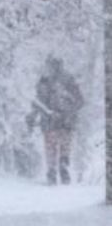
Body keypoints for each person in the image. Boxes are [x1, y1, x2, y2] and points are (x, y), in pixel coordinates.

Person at [27, 55, 83, 185]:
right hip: (65, 121)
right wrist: (70, 111)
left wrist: (32, 116)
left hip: (50, 121)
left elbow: (37, 101)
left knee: (51, 147)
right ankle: (63, 169)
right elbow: (80, 101)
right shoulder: (69, 79)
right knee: (64, 147)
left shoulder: (44, 80)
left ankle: (52, 172)